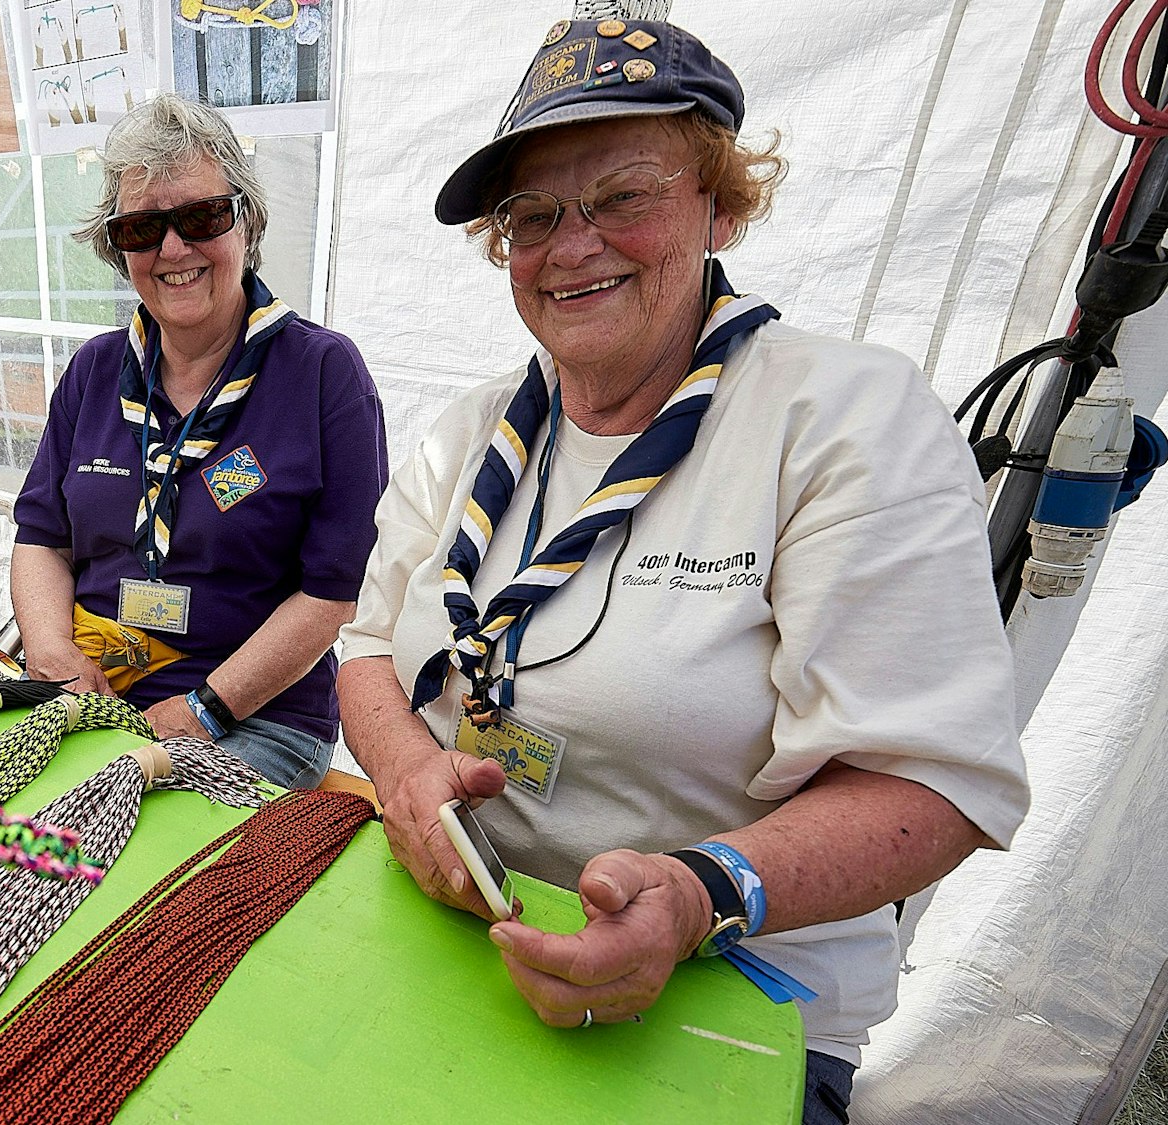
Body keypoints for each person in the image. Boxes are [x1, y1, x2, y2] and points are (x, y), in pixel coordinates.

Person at [335, 20, 1029, 1124]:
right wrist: (410, 779)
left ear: (720, 204)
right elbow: (369, 647)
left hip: (730, 992)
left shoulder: (844, 420)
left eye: (621, 196)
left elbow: (935, 785)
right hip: (467, 931)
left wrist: (696, 894)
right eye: (532, 215)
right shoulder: (467, 433)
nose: (570, 247)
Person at [11, 94, 388, 788]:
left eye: (201, 217)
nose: (173, 248)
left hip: (255, 717)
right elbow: (40, 538)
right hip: (94, 690)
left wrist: (203, 709)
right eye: (142, 228)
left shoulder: (324, 373)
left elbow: (333, 593)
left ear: (247, 221)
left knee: (115, 843)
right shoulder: (94, 370)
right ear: (116, 245)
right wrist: (54, 655)